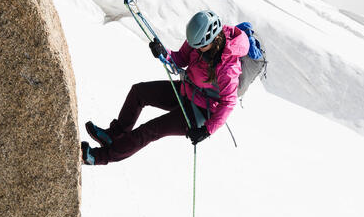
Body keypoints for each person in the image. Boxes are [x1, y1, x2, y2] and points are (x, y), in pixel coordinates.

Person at [81, 10, 249, 165]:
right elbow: (181, 58)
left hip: (199, 112)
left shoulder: (228, 68)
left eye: (200, 47)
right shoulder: (197, 39)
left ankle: (97, 157)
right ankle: (113, 135)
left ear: (212, 39)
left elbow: (228, 103)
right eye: (194, 46)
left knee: (148, 131)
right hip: (187, 90)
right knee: (139, 92)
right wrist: (163, 52)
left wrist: (206, 130)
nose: (196, 49)